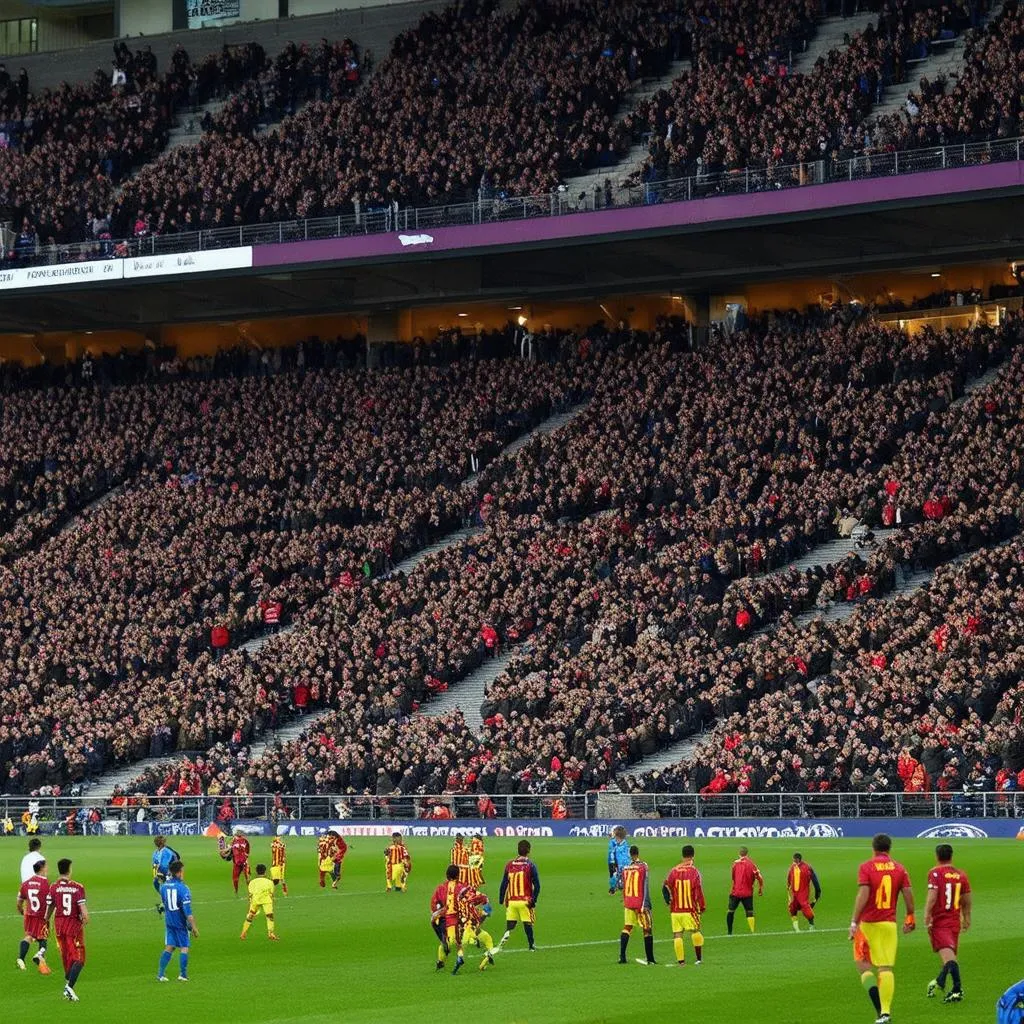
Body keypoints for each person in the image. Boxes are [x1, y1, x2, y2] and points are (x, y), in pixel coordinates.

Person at [849, 833, 915, 1024]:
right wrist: (910, 916)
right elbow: (908, 894)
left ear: (874, 848)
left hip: (868, 924)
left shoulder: (866, 867)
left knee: (863, 966)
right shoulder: (900, 868)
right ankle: (885, 1012)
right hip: (889, 924)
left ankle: (879, 1009)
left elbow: (863, 894)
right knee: (885, 968)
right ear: (889, 848)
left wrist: (854, 922)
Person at [924, 844, 971, 1004]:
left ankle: (957, 990)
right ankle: (939, 982)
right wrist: (966, 917)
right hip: (954, 921)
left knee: (949, 958)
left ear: (937, 856)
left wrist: (927, 914)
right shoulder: (961, 875)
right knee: (950, 957)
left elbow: (932, 895)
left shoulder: (935, 873)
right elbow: (966, 898)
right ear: (951, 856)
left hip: (941, 921)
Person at [45, 858, 88, 1002]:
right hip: (73, 927)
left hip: (59, 926)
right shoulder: (77, 887)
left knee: (67, 957)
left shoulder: (53, 887)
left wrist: (45, 920)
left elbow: (50, 907)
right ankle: (69, 988)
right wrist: (85, 918)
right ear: (69, 869)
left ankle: (68, 987)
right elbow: (84, 912)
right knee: (79, 958)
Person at [663, 844, 706, 966]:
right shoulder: (694, 871)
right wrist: (702, 906)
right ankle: (698, 959)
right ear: (693, 855)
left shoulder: (673, 871)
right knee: (695, 931)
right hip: (689, 909)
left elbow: (665, 886)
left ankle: (681, 962)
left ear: (682, 856)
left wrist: (668, 901)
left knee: (677, 934)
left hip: (675, 910)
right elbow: (698, 890)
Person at [158, 860, 198, 982]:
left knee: (169, 946)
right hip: (180, 922)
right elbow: (188, 913)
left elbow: (164, 904)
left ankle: (160, 974)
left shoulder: (163, 887)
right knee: (184, 947)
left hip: (169, 921)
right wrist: (194, 928)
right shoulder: (183, 888)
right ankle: (183, 974)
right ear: (179, 872)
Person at [497, 840, 540, 952]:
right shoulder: (530, 865)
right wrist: (533, 900)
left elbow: (504, 883)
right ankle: (531, 946)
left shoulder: (509, 864)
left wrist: (501, 899)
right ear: (529, 851)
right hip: (525, 901)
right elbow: (537, 885)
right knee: (527, 923)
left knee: (510, 924)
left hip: (512, 901)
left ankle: (503, 941)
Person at [617, 845, 656, 966]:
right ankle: (650, 959)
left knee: (627, 927)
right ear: (638, 853)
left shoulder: (625, 868)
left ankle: (622, 957)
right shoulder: (643, 866)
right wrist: (646, 903)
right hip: (641, 903)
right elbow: (645, 885)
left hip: (629, 903)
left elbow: (620, 885)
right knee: (647, 929)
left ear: (630, 854)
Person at [16, 857, 51, 974]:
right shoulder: (46, 884)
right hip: (41, 916)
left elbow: (19, 901)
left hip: (29, 915)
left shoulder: (26, 883)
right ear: (41, 869)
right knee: (43, 938)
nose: (47, 869)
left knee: (29, 937)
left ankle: (21, 958)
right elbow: (50, 901)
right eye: (46, 867)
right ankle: (39, 957)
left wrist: (21, 911)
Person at [430, 864, 462, 973]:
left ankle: (440, 961)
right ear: (458, 875)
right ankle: (456, 954)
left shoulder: (440, 888)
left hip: (439, 919)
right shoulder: (460, 887)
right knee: (455, 940)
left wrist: (437, 913)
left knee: (446, 940)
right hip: (453, 919)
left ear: (446, 875)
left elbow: (433, 904)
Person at [459, 882, 496, 972]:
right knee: (488, 941)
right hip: (471, 927)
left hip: (463, 927)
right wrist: (483, 914)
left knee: (462, 945)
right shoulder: (481, 898)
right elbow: (486, 912)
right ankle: (484, 961)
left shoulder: (460, 898)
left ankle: (472, 940)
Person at [727, 846, 764, 934]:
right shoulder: (752, 864)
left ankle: (729, 932)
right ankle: (752, 931)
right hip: (747, 893)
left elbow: (733, 878)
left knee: (730, 911)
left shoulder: (735, 864)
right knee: (749, 912)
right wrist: (760, 888)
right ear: (747, 854)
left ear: (739, 854)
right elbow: (760, 877)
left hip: (735, 892)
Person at [241, 864, 278, 941]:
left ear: (256, 872)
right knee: (270, 916)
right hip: (266, 900)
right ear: (265, 871)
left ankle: (243, 933)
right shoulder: (269, 882)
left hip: (255, 900)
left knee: (250, 916)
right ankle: (271, 933)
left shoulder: (252, 882)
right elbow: (271, 893)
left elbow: (250, 893)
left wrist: (251, 901)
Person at [787, 852, 821, 932]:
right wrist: (789, 889)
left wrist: (817, 892)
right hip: (794, 894)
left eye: (794, 860)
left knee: (807, 911)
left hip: (803, 893)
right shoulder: (792, 867)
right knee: (792, 908)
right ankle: (796, 928)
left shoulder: (807, 867)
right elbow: (789, 878)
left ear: (797, 859)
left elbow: (814, 879)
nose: (793, 861)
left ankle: (811, 926)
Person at [152, 836, 178, 912]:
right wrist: (156, 874)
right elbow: (154, 865)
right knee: (155, 882)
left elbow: (166, 865)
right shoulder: (155, 853)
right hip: (164, 872)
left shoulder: (167, 852)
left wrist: (161, 874)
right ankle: (165, 900)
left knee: (166, 886)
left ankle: (166, 902)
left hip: (172, 871)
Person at [607, 825, 630, 895]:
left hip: (620, 863)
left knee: (618, 875)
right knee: (613, 875)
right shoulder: (614, 842)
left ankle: (619, 887)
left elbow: (625, 856)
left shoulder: (623, 845)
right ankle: (613, 888)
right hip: (612, 861)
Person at [230, 830, 251, 895]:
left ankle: (236, 891)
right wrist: (246, 856)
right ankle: (250, 891)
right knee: (247, 877)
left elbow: (229, 850)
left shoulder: (233, 842)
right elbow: (248, 850)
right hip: (244, 862)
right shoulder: (245, 841)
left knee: (235, 878)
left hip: (237, 863)